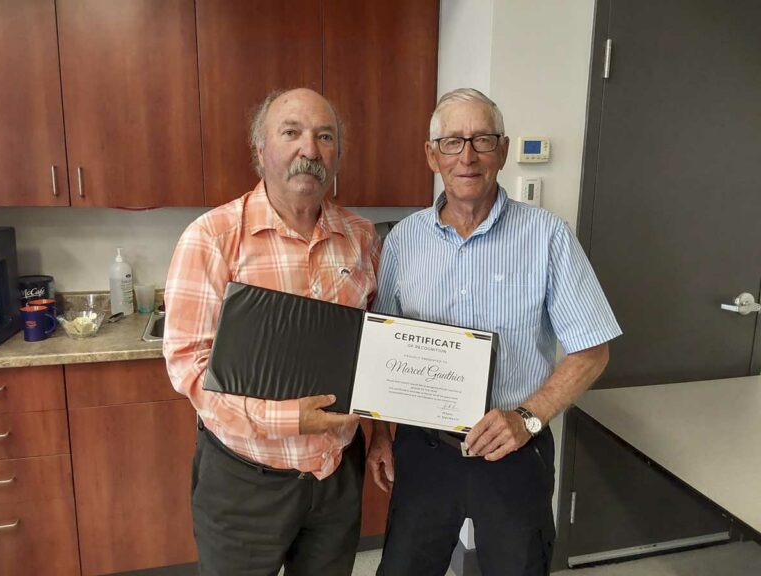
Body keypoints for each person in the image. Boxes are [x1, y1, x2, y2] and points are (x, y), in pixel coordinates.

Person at [367, 88, 622, 576]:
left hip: (515, 449)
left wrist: (527, 417)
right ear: (431, 155)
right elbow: (382, 347)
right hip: (424, 452)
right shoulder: (402, 240)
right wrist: (380, 435)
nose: (467, 156)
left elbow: (593, 350)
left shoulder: (548, 236)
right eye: (452, 142)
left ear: (503, 152)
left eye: (482, 140)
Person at [163, 88, 380, 576]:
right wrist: (284, 418)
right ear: (261, 151)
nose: (310, 149)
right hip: (245, 482)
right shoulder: (213, 237)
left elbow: (374, 349)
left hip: (336, 476)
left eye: (325, 136)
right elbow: (189, 367)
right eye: (292, 132)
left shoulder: (362, 237)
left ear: (337, 154)